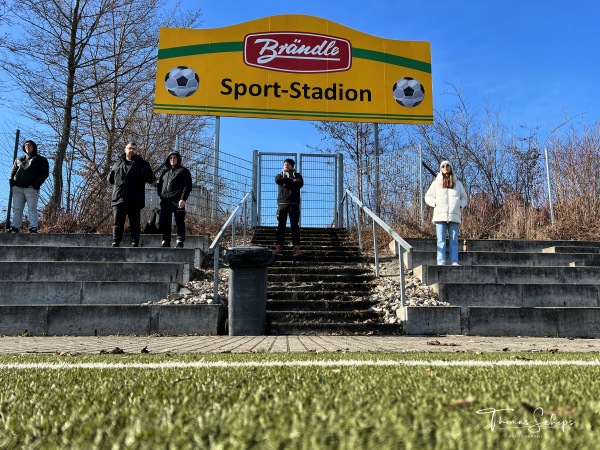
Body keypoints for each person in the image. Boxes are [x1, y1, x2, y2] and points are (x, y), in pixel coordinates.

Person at [108, 142, 155, 247]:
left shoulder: (142, 164)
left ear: (136, 151)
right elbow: (110, 179)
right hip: (119, 197)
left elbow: (151, 178)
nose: (131, 150)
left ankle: (135, 241)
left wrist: (144, 171)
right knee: (117, 222)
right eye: (129, 148)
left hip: (135, 199)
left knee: (135, 222)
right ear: (125, 150)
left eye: (134, 149)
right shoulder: (118, 163)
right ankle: (116, 241)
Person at [425, 160, 468, 266]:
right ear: (440, 168)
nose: (445, 167)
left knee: (454, 240)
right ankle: (441, 261)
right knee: (441, 239)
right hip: (440, 215)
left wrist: (460, 204)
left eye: (447, 165)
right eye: (443, 166)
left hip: (454, 215)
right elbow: (428, 196)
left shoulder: (457, 183)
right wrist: (435, 203)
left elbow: (464, 197)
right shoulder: (436, 183)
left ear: (451, 167)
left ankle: (454, 261)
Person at [8, 140, 49, 233]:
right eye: (26, 145)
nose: (27, 146)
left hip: (31, 188)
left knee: (32, 208)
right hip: (17, 188)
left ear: (34, 146)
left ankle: (33, 228)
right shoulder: (19, 159)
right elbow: (12, 172)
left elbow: (45, 173)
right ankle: (14, 227)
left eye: (30, 145)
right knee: (17, 209)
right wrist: (12, 185)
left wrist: (35, 185)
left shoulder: (40, 159)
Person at [156, 151, 192, 248]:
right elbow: (160, 186)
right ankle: (165, 241)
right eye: (170, 158)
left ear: (178, 159)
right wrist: (161, 195)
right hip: (165, 201)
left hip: (177, 200)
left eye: (174, 157)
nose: (172, 159)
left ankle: (180, 241)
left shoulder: (183, 171)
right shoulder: (165, 172)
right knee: (165, 222)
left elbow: (187, 186)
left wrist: (183, 199)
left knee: (179, 221)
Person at [274, 158, 304, 255]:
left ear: (292, 166)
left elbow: (300, 183)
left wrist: (286, 182)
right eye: (285, 164)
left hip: (294, 204)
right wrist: (292, 181)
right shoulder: (280, 175)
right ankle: (279, 247)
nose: (286, 165)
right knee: (281, 226)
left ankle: (296, 248)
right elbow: (278, 180)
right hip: (282, 204)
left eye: (288, 164)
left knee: (294, 226)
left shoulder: (297, 175)